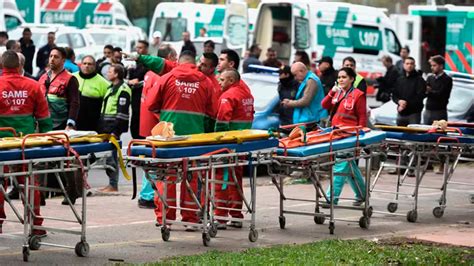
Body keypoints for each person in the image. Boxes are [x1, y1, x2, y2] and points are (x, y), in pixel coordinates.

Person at [146, 51, 216, 230]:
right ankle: (191, 219)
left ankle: (165, 218)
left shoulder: (167, 78)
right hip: (195, 139)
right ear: (194, 63)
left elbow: (150, 104)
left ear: (178, 61)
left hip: (168, 138)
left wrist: (165, 115)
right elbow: (213, 112)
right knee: (192, 177)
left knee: (166, 177)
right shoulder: (206, 82)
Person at [0, 51, 53, 236]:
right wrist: (48, 143)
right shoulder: (33, 85)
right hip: (26, 144)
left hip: (2, 146)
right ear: (20, 66)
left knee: (0, 184)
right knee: (29, 183)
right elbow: (44, 118)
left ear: (2, 66)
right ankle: (36, 224)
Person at [137, 45, 178, 209]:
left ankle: (147, 194)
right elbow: (154, 105)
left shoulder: (149, 74)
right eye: (175, 57)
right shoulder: (161, 76)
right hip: (155, 126)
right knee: (155, 163)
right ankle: (147, 196)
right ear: (169, 57)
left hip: (148, 124)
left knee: (151, 161)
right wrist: (167, 122)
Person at [38, 47, 81, 204]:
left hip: (61, 125)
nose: (52, 59)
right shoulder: (43, 78)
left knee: (64, 161)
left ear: (63, 60)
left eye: (56, 57)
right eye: (50, 56)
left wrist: (70, 124)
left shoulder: (70, 79)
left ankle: (72, 190)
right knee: (40, 161)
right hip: (44, 124)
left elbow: (75, 103)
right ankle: (40, 195)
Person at [214, 69, 254, 229]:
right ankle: (236, 215)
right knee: (236, 180)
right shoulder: (247, 95)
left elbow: (222, 121)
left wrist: (216, 142)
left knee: (221, 180)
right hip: (242, 144)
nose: (219, 82)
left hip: (228, 145)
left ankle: (220, 217)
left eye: (222, 80)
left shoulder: (228, 96)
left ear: (231, 80)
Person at [321, 67, 367, 206]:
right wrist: (331, 92)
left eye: (344, 77)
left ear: (352, 79)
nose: (341, 80)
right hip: (336, 134)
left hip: (349, 135)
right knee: (350, 165)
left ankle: (331, 198)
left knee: (340, 164)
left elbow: (362, 118)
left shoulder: (358, 95)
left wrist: (360, 139)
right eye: (339, 77)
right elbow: (324, 105)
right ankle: (362, 194)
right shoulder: (337, 93)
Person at [98, 64, 131, 193]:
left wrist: (115, 132)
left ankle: (113, 184)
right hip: (106, 127)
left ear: (116, 74)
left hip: (113, 128)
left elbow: (122, 113)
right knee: (108, 156)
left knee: (111, 156)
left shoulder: (123, 90)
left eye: (110, 71)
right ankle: (111, 184)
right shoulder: (110, 88)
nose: (108, 73)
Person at [74, 55, 110, 132]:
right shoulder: (72, 77)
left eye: (89, 64)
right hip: (73, 122)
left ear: (94, 66)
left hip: (93, 124)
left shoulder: (104, 83)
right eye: (84, 63)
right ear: (81, 65)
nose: (86, 66)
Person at [392, 57, 427, 126]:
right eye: (407, 63)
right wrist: (398, 101)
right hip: (401, 113)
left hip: (414, 114)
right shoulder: (399, 79)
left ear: (414, 66)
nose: (409, 65)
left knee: (413, 135)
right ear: (403, 65)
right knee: (398, 135)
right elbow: (394, 95)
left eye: (411, 64)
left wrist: (405, 104)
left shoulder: (419, 80)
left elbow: (420, 97)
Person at [128, 40, 149, 139]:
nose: (138, 50)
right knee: (135, 116)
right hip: (135, 94)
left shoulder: (149, 62)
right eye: (137, 47)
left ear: (146, 49)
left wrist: (138, 81)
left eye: (140, 48)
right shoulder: (133, 62)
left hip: (144, 95)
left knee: (142, 117)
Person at [424, 55, 453, 125]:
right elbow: (424, 92)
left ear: (441, 66)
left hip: (439, 112)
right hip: (428, 110)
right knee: (425, 133)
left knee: (438, 134)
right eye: (431, 65)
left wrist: (429, 91)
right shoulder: (430, 77)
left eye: (434, 65)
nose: (432, 68)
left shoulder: (447, 79)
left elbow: (441, 94)